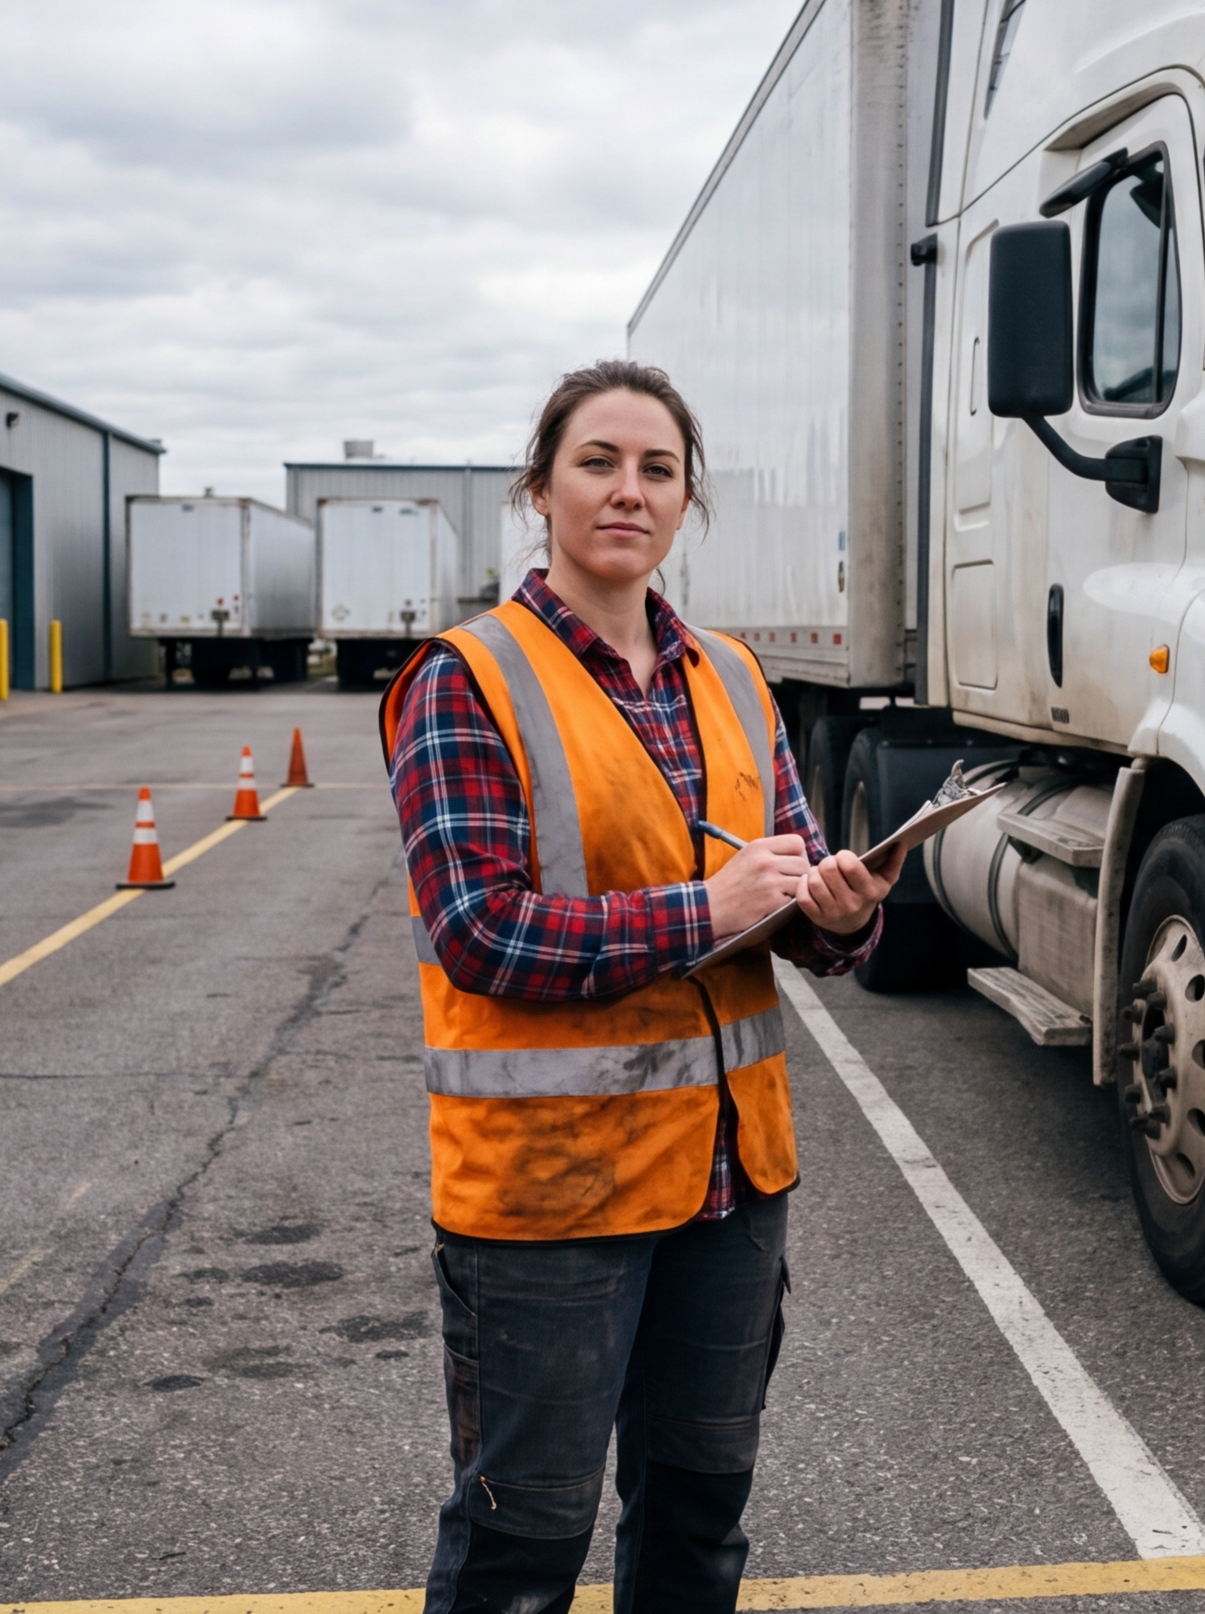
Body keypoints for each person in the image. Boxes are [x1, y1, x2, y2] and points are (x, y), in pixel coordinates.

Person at [383, 359, 907, 1614]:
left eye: (657, 468)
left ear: (688, 500)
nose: (629, 490)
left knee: (696, 1520)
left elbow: (779, 887)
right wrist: (704, 913)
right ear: (541, 488)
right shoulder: (466, 678)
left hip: (731, 1185)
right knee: (523, 1546)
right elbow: (480, 933)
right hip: (549, 1195)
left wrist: (837, 916)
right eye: (598, 462)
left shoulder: (730, 675)